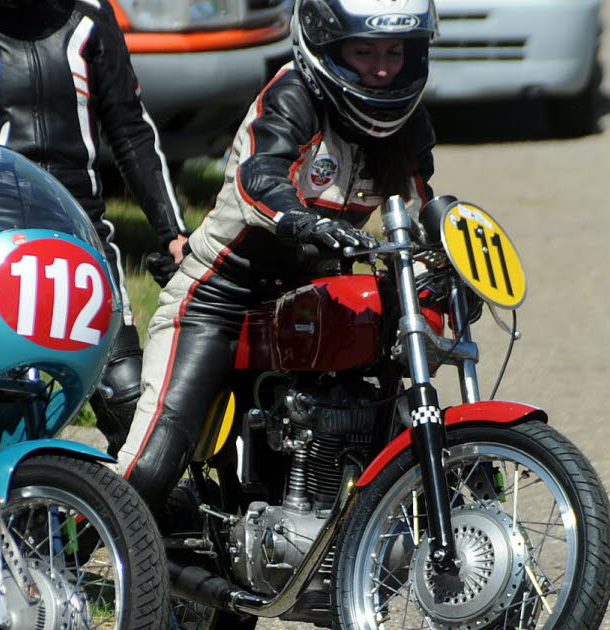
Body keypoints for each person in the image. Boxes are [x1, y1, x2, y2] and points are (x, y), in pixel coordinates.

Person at [117, 0, 439, 511]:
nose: (381, 68)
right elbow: (259, 177)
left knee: (371, 407)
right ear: (327, 46)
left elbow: (427, 205)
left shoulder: (407, 123)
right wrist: (303, 220)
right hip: (222, 294)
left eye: (395, 51)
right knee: (154, 463)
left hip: (314, 297)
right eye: (364, 51)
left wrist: (457, 249)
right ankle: (67, 557)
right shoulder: (293, 95)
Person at [0, 0, 189, 456]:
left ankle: (134, 522)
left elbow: (130, 129)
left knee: (128, 397)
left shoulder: (91, 19)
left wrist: (171, 230)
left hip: (81, 236)